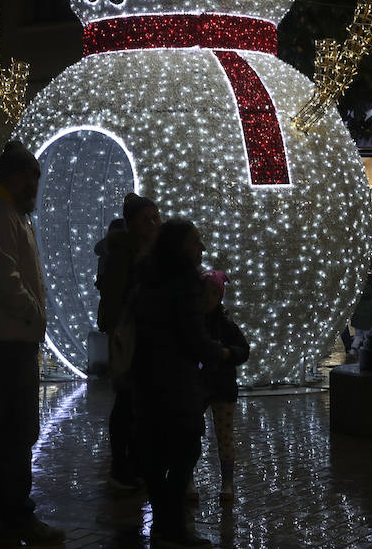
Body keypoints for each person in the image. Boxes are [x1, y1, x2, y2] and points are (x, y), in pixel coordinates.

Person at [0, 141, 64, 545]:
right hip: (6, 336)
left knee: (10, 428)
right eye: (32, 178)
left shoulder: (10, 214)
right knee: (13, 429)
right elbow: (4, 277)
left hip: (13, 335)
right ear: (16, 177)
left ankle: (2, 512)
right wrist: (33, 312)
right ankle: (8, 513)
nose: (35, 188)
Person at [130, 218, 229, 548]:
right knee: (186, 450)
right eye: (196, 241)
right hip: (176, 381)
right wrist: (219, 352)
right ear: (179, 246)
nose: (202, 247)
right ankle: (173, 528)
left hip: (146, 380)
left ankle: (162, 524)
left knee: (155, 456)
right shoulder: (184, 283)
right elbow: (192, 337)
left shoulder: (146, 278)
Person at [94, 192, 161, 491]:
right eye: (147, 219)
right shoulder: (124, 254)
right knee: (126, 402)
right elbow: (113, 301)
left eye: (156, 217)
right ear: (132, 224)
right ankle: (121, 468)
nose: (154, 224)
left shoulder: (150, 252)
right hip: (129, 337)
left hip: (144, 337)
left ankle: (134, 464)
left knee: (138, 404)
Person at [198, 268, 249, 505]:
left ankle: (227, 483)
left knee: (225, 436)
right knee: (190, 435)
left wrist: (228, 353)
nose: (206, 298)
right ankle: (188, 479)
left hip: (221, 387)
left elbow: (243, 349)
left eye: (211, 293)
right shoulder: (192, 322)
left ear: (219, 296)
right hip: (197, 387)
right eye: (202, 293)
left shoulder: (226, 324)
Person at [342, 272, 372, 358]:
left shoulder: (359, 294)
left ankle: (353, 350)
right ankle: (367, 353)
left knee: (358, 336)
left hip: (358, 321)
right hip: (369, 321)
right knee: (367, 337)